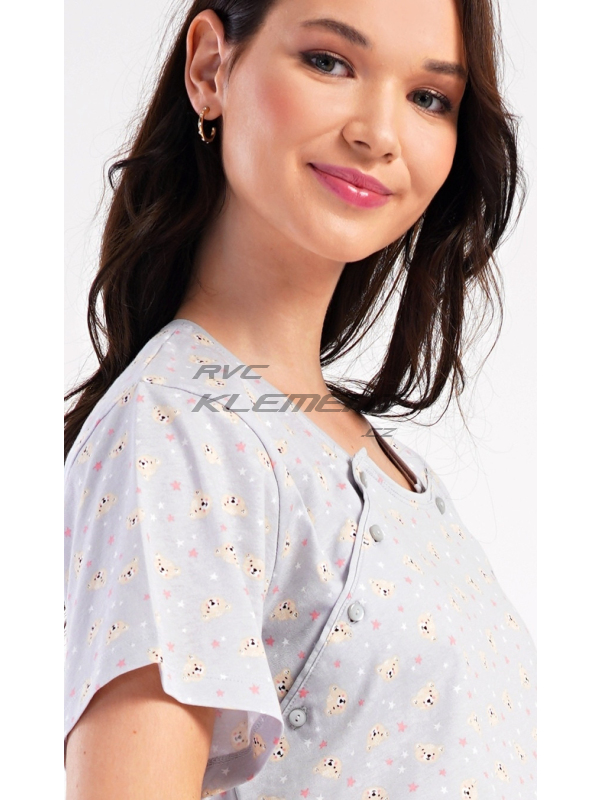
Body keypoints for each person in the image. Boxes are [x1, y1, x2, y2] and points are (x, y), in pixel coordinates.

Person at [64, 0, 536, 797]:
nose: (378, 133)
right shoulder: (174, 429)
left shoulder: (375, 459)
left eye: (429, 98)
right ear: (210, 67)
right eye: (328, 61)